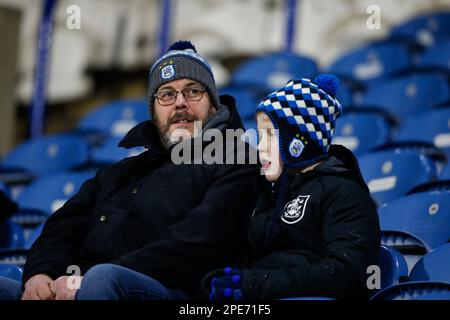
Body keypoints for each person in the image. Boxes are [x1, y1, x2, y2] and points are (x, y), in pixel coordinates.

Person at [0, 40, 261, 300]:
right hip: (84, 283)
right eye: (167, 94)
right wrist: (41, 275)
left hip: (173, 289)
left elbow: (204, 240)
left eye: (193, 91)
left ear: (214, 105)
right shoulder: (120, 171)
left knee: (103, 280)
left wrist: (90, 279)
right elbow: (63, 227)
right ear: (154, 112)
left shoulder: (236, 160)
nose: (180, 103)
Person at [203, 74, 381, 300]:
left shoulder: (345, 193)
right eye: (259, 136)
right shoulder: (266, 194)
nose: (260, 148)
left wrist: (254, 285)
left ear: (299, 142)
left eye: (270, 135)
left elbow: (351, 275)